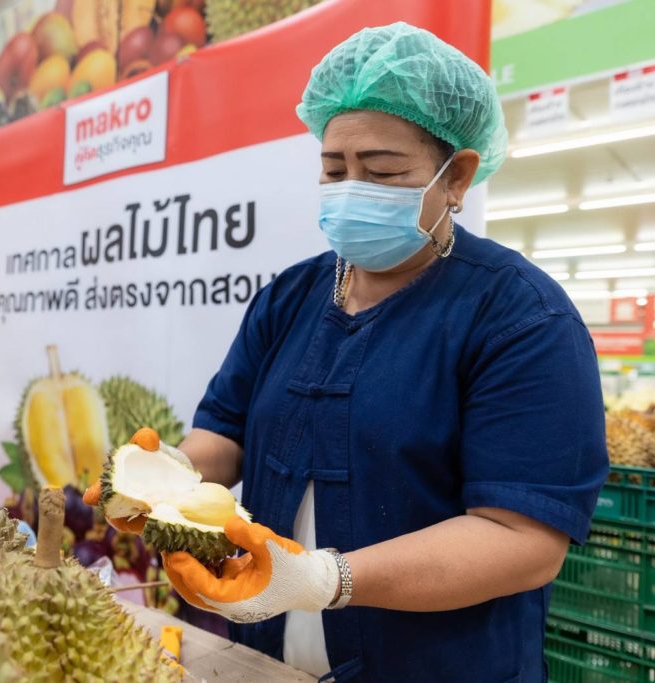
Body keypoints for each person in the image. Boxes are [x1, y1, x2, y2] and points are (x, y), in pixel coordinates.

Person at [86, 22, 608, 682]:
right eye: (334, 170)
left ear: (458, 176)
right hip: (268, 661)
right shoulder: (291, 296)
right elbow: (225, 432)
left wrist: (326, 577)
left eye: (384, 171)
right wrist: (157, 477)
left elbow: (523, 540)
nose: (351, 187)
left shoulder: (522, 318)